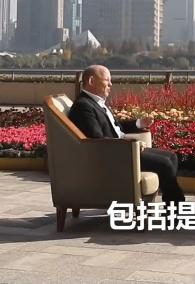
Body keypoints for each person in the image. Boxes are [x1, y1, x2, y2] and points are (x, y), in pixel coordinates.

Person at [68, 64, 186, 203]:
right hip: (114, 156)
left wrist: (139, 123)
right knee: (164, 163)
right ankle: (176, 208)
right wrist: (129, 144)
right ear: (91, 81)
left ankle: (173, 205)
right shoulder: (83, 106)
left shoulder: (96, 102)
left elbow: (115, 127)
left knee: (171, 157)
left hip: (122, 150)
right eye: (107, 80)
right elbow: (97, 140)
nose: (111, 84)